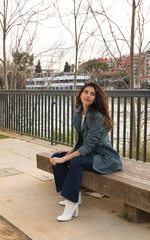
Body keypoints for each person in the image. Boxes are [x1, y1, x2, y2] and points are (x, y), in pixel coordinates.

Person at [50, 81, 122, 222]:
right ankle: (74, 196)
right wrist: (68, 151)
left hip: (105, 158)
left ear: (96, 98)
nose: (88, 96)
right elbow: (81, 140)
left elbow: (87, 146)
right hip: (90, 154)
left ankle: (71, 204)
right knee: (56, 156)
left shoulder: (97, 118)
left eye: (92, 94)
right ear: (81, 94)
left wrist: (67, 158)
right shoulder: (80, 112)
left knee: (75, 161)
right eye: (86, 92)